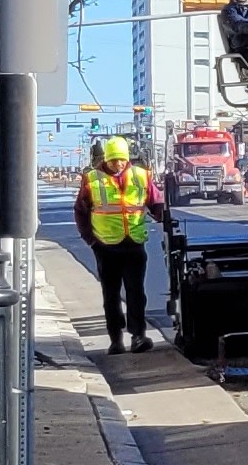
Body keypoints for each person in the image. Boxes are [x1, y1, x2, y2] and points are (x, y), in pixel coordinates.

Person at [75, 135, 175, 354]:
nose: (118, 164)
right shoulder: (92, 180)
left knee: (136, 292)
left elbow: (154, 200)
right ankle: (115, 340)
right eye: (114, 160)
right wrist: (91, 240)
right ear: (106, 159)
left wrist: (160, 213)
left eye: (121, 159)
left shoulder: (140, 176)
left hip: (134, 244)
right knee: (111, 295)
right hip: (105, 246)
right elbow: (81, 212)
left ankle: (138, 336)